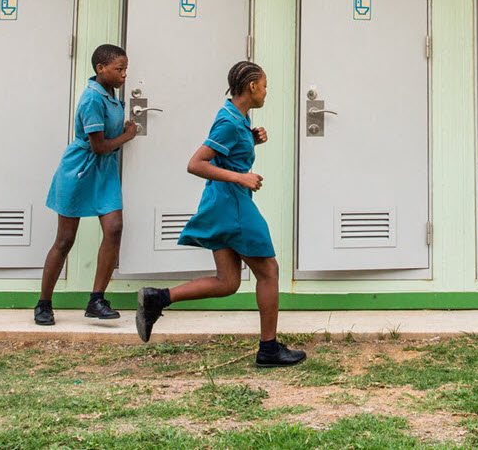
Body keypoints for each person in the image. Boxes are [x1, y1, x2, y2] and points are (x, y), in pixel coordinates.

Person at [133, 61, 305, 367]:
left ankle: (158, 298)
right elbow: (196, 163)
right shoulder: (228, 121)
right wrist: (241, 177)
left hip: (219, 202)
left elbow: (228, 151)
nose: (266, 92)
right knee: (269, 271)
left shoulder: (238, 119)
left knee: (228, 281)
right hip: (232, 204)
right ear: (252, 87)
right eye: (264, 86)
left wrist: (250, 139)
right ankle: (268, 349)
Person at [35, 44, 139, 326]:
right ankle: (44, 303)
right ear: (100, 69)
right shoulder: (92, 99)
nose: (124, 75)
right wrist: (128, 135)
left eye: (125, 69)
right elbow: (98, 146)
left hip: (104, 174)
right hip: (80, 171)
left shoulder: (109, 94)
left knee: (114, 229)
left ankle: (97, 300)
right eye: (119, 69)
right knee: (65, 239)